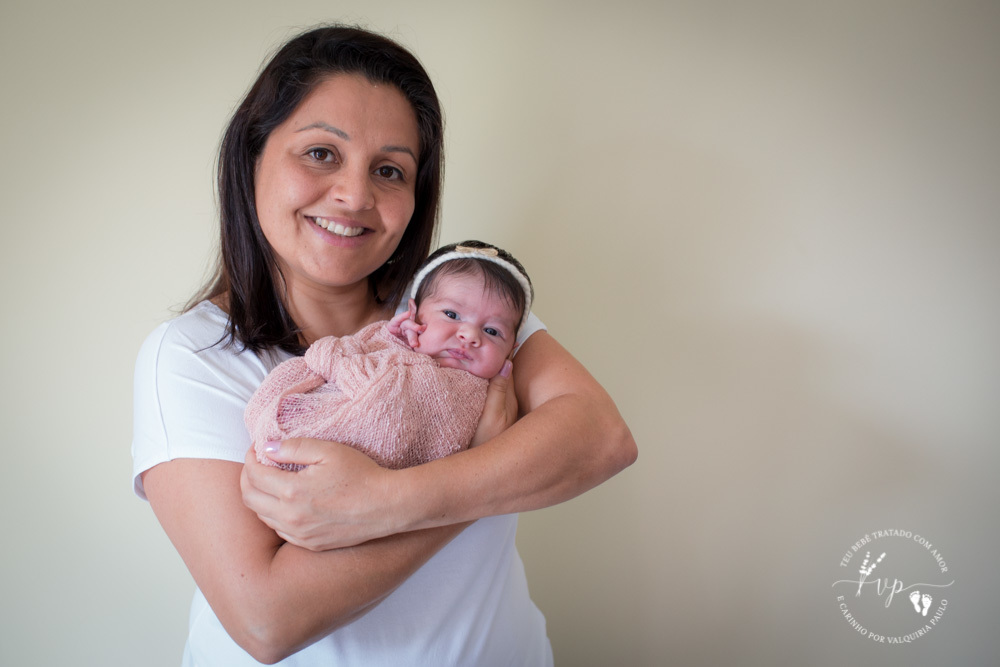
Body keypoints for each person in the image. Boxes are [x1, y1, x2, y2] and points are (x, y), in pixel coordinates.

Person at [132, 24, 636, 666]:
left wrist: (383, 502)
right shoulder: (192, 355)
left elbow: (600, 437)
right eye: (320, 153)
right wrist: (483, 461)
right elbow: (266, 620)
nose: (354, 195)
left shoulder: (456, 309)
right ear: (251, 157)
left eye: (390, 170)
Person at [245, 240, 534, 471]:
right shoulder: (393, 341)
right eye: (451, 314)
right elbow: (347, 356)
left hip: (351, 459)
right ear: (414, 313)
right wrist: (386, 338)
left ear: (512, 350)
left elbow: (389, 414)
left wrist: (337, 360)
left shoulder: (470, 392)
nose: (470, 335)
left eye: (492, 331)